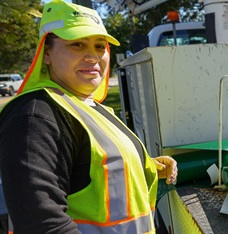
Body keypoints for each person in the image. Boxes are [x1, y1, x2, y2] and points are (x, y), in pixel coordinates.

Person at [0, 0, 177, 233]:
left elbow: (89, 171)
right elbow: (41, 222)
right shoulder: (36, 115)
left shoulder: (86, 105)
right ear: (46, 54)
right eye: (78, 44)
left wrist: (149, 166)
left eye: (99, 46)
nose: (92, 56)